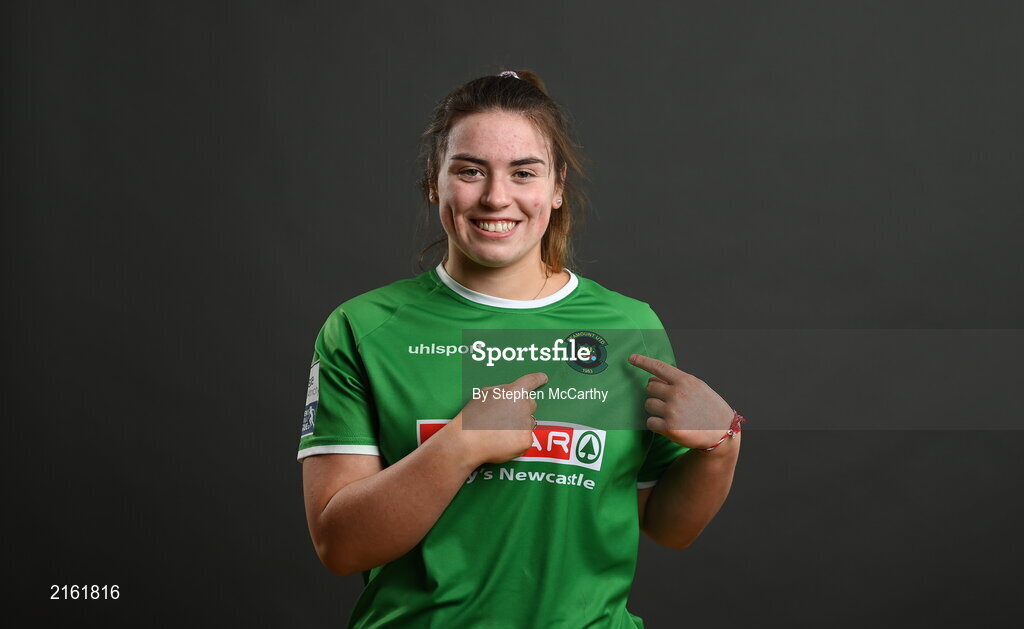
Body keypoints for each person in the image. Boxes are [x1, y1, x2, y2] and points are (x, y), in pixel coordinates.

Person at [299, 69, 744, 628]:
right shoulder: (363, 328)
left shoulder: (628, 326)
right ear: (434, 181)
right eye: (470, 171)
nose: (496, 197)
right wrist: (460, 444)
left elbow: (666, 527)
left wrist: (722, 446)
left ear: (557, 187)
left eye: (523, 172)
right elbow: (340, 547)